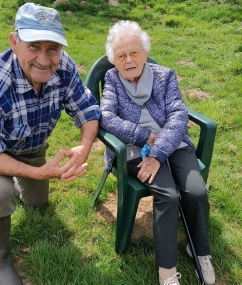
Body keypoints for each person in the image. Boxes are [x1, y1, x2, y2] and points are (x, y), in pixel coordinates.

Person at [0, 3, 100, 285]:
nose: (44, 59)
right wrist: (39, 173)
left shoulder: (64, 65)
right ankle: (0, 257)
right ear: (15, 42)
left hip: (33, 148)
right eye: (33, 46)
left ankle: (12, 180)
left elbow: (88, 110)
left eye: (52, 47)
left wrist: (84, 147)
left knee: (37, 202)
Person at [100, 20, 215, 285]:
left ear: (145, 52)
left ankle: (199, 250)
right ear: (114, 61)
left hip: (172, 144)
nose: (128, 60)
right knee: (168, 195)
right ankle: (167, 272)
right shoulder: (112, 80)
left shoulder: (164, 75)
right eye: (121, 55)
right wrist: (143, 136)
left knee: (196, 191)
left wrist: (159, 150)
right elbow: (106, 117)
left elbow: (177, 114)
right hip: (134, 149)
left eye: (134, 52)